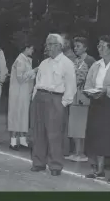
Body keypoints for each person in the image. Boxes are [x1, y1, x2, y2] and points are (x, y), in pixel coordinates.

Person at [30, 33, 77, 176]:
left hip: (55, 99)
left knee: (54, 134)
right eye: (47, 44)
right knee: (38, 132)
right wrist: (34, 99)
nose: (47, 47)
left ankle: (55, 165)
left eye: (50, 44)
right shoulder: (44, 63)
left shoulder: (67, 63)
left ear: (59, 46)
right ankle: (38, 163)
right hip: (40, 98)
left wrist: (63, 103)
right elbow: (37, 83)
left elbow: (71, 86)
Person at [83, 35, 110, 182]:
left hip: (109, 102)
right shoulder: (96, 65)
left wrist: (106, 91)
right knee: (98, 136)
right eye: (99, 46)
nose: (99, 49)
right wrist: (91, 93)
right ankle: (99, 170)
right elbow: (88, 84)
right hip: (97, 103)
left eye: (103, 46)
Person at [66, 37, 96, 162]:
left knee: (80, 126)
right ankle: (76, 151)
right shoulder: (76, 60)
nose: (75, 48)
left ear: (85, 47)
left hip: (83, 97)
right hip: (74, 96)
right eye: (75, 46)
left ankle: (81, 153)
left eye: (78, 46)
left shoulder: (90, 61)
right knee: (73, 126)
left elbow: (84, 79)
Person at [7, 41, 38, 151]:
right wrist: (34, 71)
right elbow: (21, 78)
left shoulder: (27, 60)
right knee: (16, 115)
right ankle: (13, 141)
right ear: (26, 48)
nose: (32, 51)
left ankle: (22, 139)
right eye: (31, 48)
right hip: (18, 92)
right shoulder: (20, 60)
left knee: (23, 115)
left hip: (24, 92)